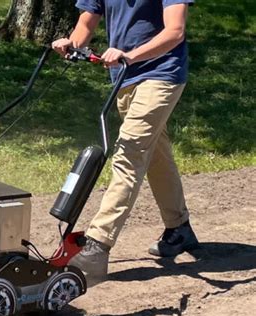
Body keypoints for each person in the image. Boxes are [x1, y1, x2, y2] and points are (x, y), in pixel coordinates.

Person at [52, 0, 198, 281]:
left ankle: (97, 245)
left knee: (128, 152)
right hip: (125, 77)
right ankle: (179, 228)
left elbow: (175, 31)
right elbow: (86, 22)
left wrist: (130, 55)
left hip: (161, 74)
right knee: (155, 153)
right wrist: (71, 44)